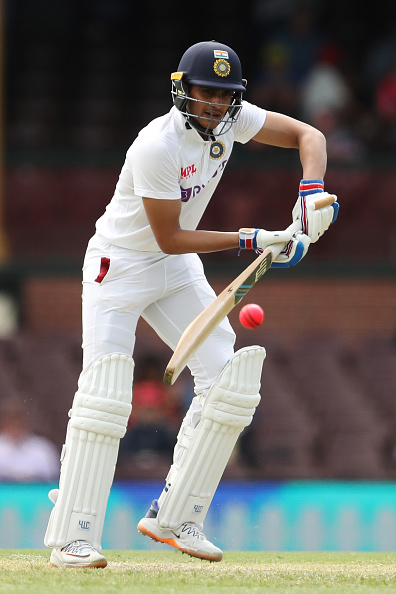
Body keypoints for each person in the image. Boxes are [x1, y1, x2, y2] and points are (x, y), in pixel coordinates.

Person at [44, 40, 339, 568]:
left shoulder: (232, 117)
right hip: (122, 264)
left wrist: (311, 192)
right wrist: (254, 238)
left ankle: (176, 515)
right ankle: (74, 531)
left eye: (226, 97)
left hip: (174, 269)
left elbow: (307, 134)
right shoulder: (156, 146)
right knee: (107, 391)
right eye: (206, 94)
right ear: (182, 91)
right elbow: (168, 237)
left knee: (229, 381)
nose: (215, 106)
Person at [0, 397, 60, 482]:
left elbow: (53, 478)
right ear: (4, 424)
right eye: (12, 424)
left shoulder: (42, 449)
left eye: (19, 424)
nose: (15, 428)